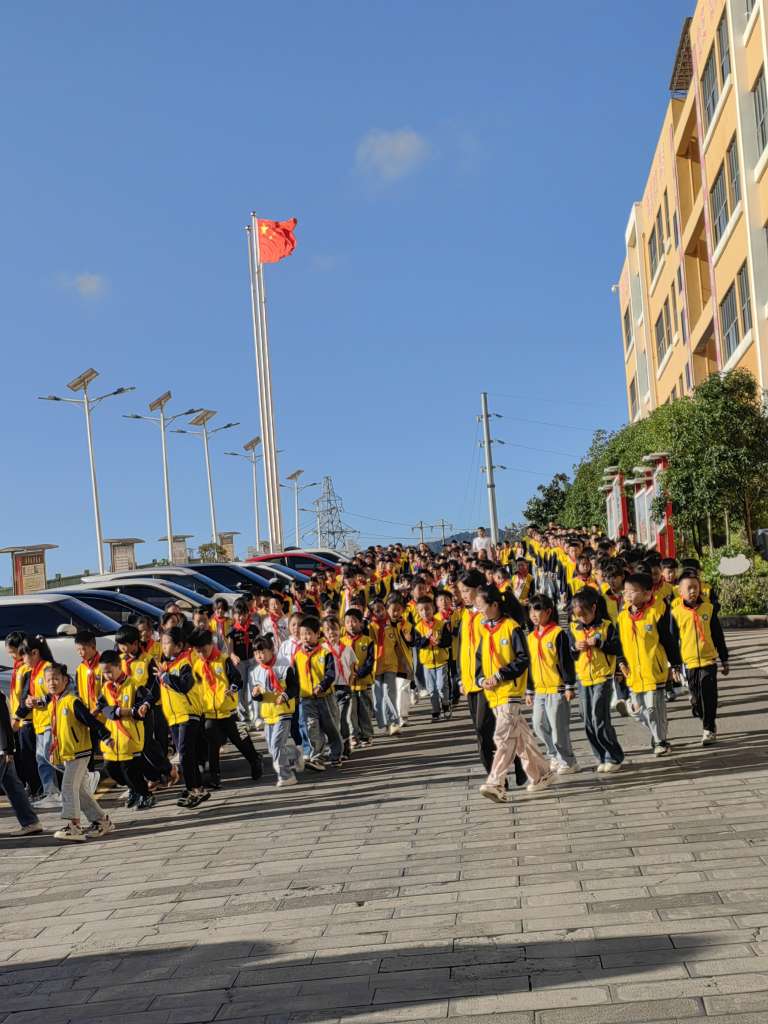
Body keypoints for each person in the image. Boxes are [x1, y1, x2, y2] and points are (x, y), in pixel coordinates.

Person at [476, 585, 551, 803]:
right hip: (493, 694)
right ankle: (541, 773)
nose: (479, 610)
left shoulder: (512, 628)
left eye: (481, 606)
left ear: (494, 605)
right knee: (520, 738)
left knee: (502, 737)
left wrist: (501, 675)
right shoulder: (485, 630)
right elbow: (479, 660)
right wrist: (481, 679)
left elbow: (523, 659)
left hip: (510, 691)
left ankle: (496, 782)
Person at [42, 662, 115, 842]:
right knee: (81, 791)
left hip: (79, 753)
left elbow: (90, 720)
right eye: (48, 680)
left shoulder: (72, 701)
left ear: (65, 680)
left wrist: (105, 736)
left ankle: (74, 826)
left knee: (68, 787)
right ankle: (102, 821)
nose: (52, 683)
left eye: (56, 679)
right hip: (68, 754)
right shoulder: (54, 703)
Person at [616, 572, 680, 757]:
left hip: (654, 670)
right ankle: (658, 730)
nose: (628, 595)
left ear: (647, 593)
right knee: (636, 710)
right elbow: (619, 642)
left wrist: (675, 664)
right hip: (633, 673)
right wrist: (620, 662)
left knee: (653, 708)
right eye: (626, 591)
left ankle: (660, 741)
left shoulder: (656, 613)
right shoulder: (623, 617)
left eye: (633, 591)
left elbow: (668, 640)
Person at [189, 628, 263, 787]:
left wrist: (233, 687)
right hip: (209, 713)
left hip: (229, 711)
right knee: (212, 743)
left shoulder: (223, 660)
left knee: (241, 738)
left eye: (204, 650)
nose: (201, 654)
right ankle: (214, 776)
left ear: (211, 644)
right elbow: (196, 687)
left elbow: (237, 678)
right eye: (198, 651)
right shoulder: (197, 665)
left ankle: (255, 760)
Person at [669, 571, 729, 746]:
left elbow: (718, 635)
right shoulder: (676, 613)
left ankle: (709, 728)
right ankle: (701, 712)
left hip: (708, 660)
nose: (693, 591)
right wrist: (674, 665)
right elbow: (671, 640)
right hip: (688, 662)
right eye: (688, 588)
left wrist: (724, 658)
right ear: (680, 591)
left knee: (709, 694)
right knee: (696, 699)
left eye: (696, 587)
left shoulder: (708, 609)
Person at [569, 588, 625, 772]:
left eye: (584, 614)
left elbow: (617, 647)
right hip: (583, 678)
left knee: (598, 716)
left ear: (594, 608)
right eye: (577, 615)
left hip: (603, 677)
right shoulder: (573, 628)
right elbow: (569, 654)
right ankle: (601, 756)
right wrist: (575, 647)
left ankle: (613, 756)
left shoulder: (606, 626)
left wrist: (600, 643)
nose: (581, 618)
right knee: (586, 719)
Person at [156, 627, 209, 808]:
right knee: (187, 755)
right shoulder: (166, 665)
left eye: (167, 643)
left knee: (185, 754)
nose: (163, 646)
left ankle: (192, 789)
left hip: (188, 713)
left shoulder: (187, 661)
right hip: (174, 716)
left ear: (179, 646)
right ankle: (198, 788)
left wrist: (165, 677)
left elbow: (184, 686)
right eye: (162, 643)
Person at [95, 650, 155, 809]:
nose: (106, 675)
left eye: (109, 671)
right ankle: (133, 789)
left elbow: (146, 701)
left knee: (131, 771)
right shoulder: (106, 687)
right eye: (103, 673)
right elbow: (102, 706)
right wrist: (116, 712)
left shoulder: (133, 684)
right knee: (111, 769)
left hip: (130, 737)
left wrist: (137, 709)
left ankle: (145, 794)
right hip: (112, 739)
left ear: (118, 666)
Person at [526, 594, 578, 774]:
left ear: (548, 612)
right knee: (538, 724)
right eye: (531, 611)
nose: (533, 615)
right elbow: (529, 665)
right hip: (540, 689)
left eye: (537, 610)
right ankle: (554, 754)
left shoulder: (558, 633)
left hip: (557, 688)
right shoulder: (531, 637)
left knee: (558, 728)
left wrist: (569, 685)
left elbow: (566, 661)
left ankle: (568, 761)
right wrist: (529, 690)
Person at [251, 635, 303, 787]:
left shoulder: (283, 666)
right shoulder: (256, 672)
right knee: (273, 749)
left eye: (262, 652)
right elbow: (259, 696)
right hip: (268, 714)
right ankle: (296, 753)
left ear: (272, 650)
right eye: (256, 653)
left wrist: (285, 696)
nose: (259, 656)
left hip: (283, 711)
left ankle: (286, 776)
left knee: (276, 745)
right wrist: (256, 695)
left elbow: (294, 687)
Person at [293, 615, 343, 770]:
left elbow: (331, 674)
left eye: (309, 633)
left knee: (331, 728)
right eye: (302, 634)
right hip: (306, 699)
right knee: (312, 728)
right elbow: (295, 677)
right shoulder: (297, 655)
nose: (305, 637)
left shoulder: (325, 653)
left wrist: (322, 686)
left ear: (317, 634)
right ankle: (317, 758)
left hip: (325, 698)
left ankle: (336, 754)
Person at [18, 636, 58, 809]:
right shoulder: (34, 671)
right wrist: (29, 702)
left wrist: (38, 701)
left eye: (24, 656)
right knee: (42, 758)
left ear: (34, 653)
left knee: (48, 758)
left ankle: (53, 792)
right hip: (39, 721)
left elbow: (54, 692)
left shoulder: (47, 668)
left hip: (50, 720)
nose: (23, 660)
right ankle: (50, 792)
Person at [0, 686, 42, 837]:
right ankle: (31, 822)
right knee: (13, 786)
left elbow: (4, 722)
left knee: (13, 786)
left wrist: (7, 749)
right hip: (3, 750)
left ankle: (30, 822)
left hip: (1, 751)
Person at [6, 631, 40, 798]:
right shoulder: (18, 668)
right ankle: (31, 787)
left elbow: (27, 696)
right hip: (19, 720)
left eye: (13, 652)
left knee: (30, 758)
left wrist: (17, 717)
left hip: (28, 720)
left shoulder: (27, 669)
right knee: (23, 757)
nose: (11, 656)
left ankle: (37, 790)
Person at [413, 595, 453, 722]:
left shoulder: (441, 624)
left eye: (427, 609)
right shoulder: (418, 627)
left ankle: (446, 704)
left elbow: (448, 641)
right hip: (427, 663)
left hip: (441, 661)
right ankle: (436, 711)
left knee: (441, 686)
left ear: (433, 609)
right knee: (432, 690)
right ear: (418, 612)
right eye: (421, 610)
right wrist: (426, 638)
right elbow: (418, 644)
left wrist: (439, 642)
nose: (425, 612)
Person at [342, 609, 376, 745]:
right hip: (348, 684)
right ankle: (353, 735)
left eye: (354, 621)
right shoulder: (341, 642)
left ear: (361, 623)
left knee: (364, 711)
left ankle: (366, 734)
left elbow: (370, 661)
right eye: (347, 622)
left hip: (364, 682)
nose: (351, 625)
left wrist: (359, 673)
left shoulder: (368, 641)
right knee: (350, 712)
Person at [227, 598, 261, 726]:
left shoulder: (254, 628)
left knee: (254, 687)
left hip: (253, 661)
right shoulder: (232, 631)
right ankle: (243, 716)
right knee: (240, 689)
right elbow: (230, 649)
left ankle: (256, 716)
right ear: (233, 615)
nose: (240, 617)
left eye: (242, 614)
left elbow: (259, 644)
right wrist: (233, 656)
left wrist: (258, 657)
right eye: (237, 614)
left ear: (247, 614)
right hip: (240, 663)